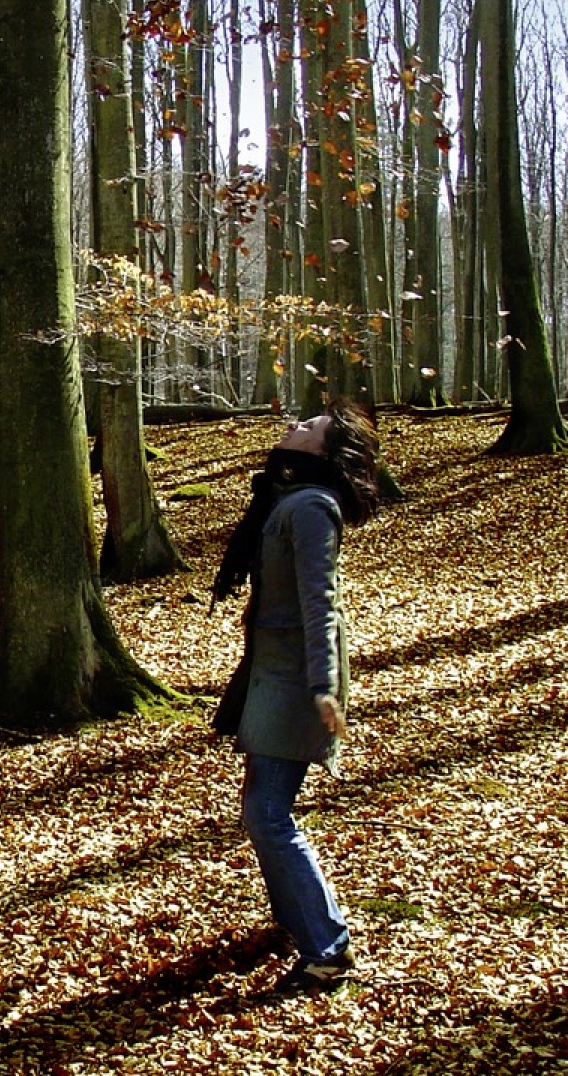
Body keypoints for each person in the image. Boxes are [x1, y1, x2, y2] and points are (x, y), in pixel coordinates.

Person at [210, 396, 382, 996]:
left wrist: (323, 687)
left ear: (325, 450)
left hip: (295, 684)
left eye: (310, 425)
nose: (296, 424)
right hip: (271, 674)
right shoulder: (285, 497)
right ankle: (296, 920)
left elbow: (321, 602)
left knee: (267, 813)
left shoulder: (311, 507)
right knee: (261, 809)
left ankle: (326, 949)